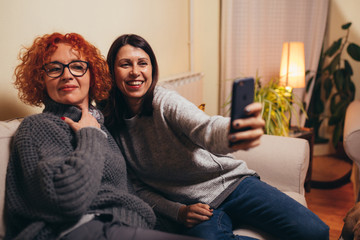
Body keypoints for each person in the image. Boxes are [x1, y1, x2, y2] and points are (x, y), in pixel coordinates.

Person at [100, 33, 330, 240]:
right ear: (113, 71)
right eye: (125, 64)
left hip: (232, 185)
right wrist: (178, 212)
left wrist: (233, 132)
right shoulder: (111, 126)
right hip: (197, 208)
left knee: (316, 232)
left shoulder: (164, 101)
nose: (135, 72)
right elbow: (136, 187)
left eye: (143, 63)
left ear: (152, 69)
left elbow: (206, 128)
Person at [4, 32, 199, 240]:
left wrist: (178, 215)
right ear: (41, 80)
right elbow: (68, 199)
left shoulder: (100, 124)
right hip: (77, 230)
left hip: (121, 225)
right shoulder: (39, 127)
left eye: (77, 66)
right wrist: (89, 135)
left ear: (92, 75)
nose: (67, 75)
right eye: (54, 68)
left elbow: (127, 192)